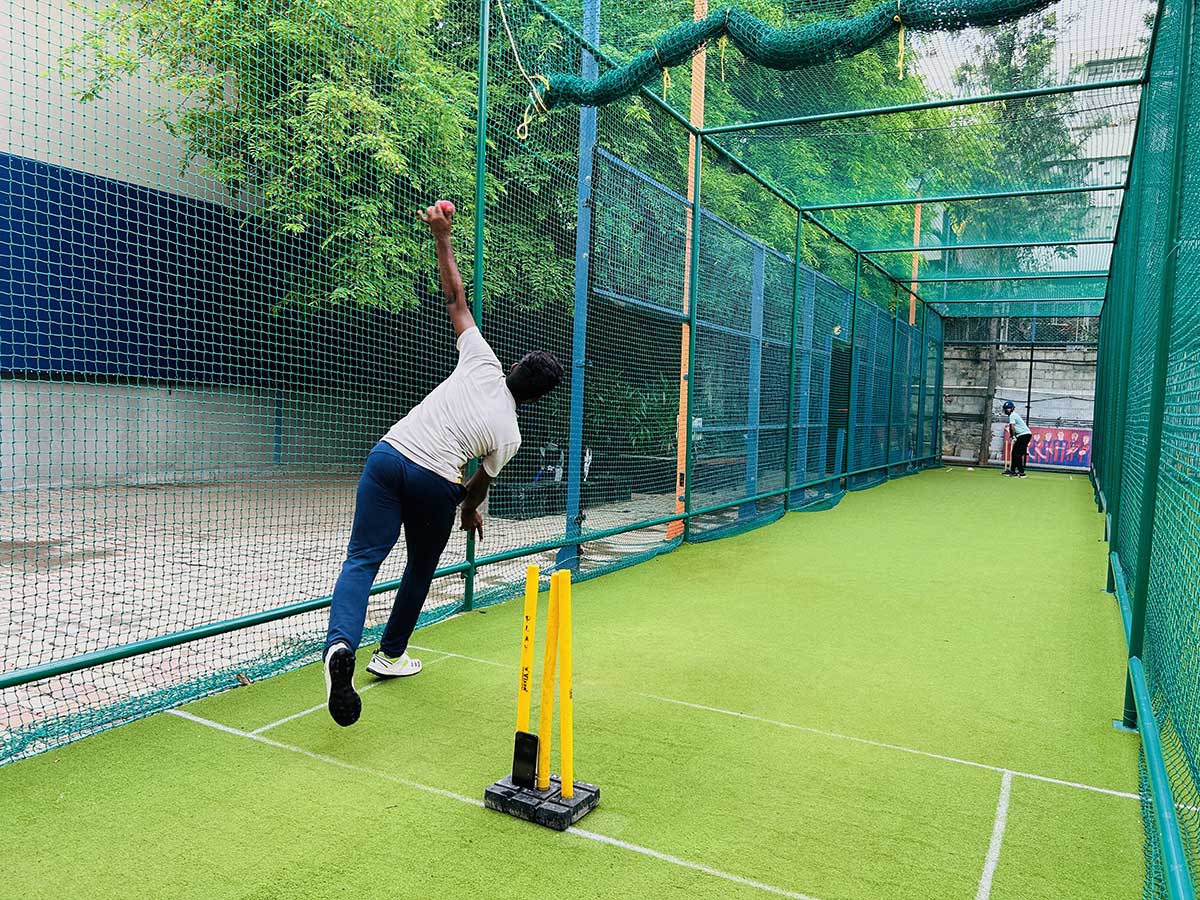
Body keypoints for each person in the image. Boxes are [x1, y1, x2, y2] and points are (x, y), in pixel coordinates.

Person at [322, 202, 563, 727]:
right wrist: (468, 511)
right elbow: (476, 486)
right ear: (537, 398)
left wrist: (442, 235)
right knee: (420, 566)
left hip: (389, 455)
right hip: (437, 485)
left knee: (362, 559)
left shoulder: (482, 359)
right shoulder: (511, 434)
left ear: (516, 364)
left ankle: (339, 648)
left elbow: (455, 295)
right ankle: (389, 655)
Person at [1003, 400, 1032, 478]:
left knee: (1017, 454)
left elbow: (1012, 427)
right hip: (1023, 435)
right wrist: (1014, 436)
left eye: (1009, 408)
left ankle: (1021, 472)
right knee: (1014, 453)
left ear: (1012, 408)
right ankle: (1012, 470)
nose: (1007, 410)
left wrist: (1012, 436)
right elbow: (1014, 428)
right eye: (1006, 408)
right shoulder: (1012, 415)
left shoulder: (1012, 415)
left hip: (1024, 435)